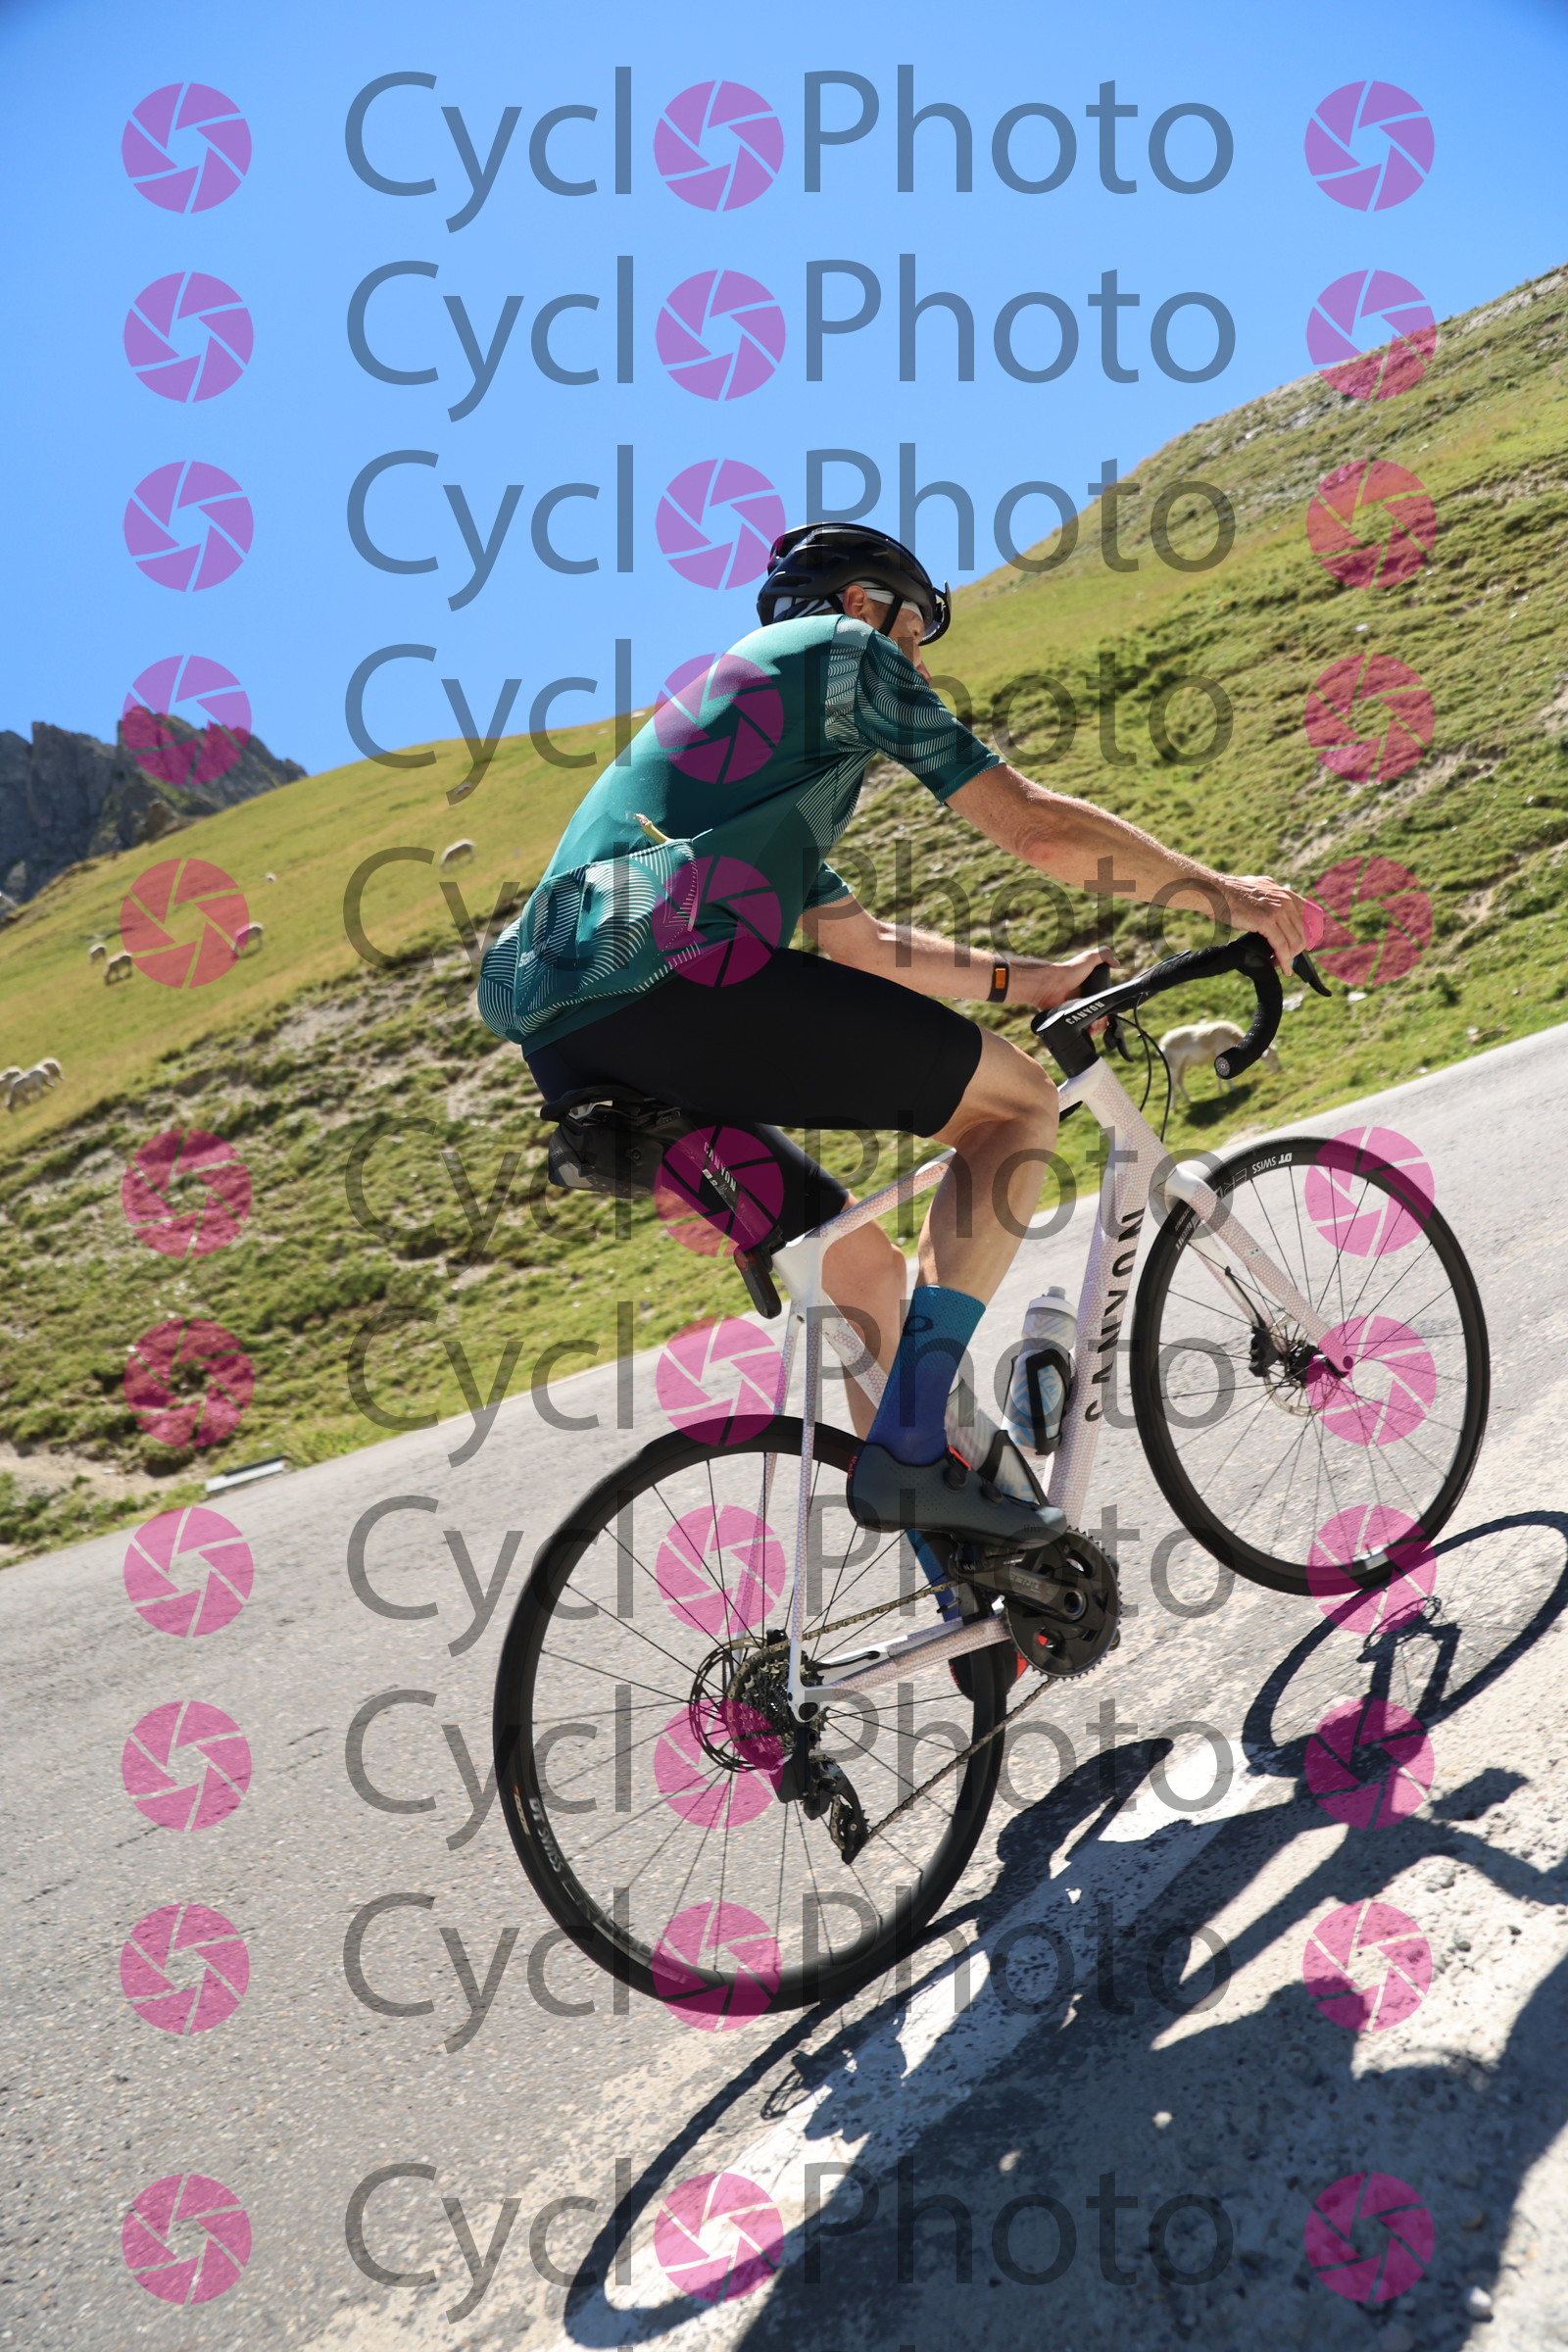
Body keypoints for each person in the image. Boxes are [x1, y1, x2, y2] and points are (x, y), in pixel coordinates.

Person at [478, 522, 1309, 1550]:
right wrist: (1228, 897)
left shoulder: (754, 770)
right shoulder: (842, 651)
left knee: (862, 1279)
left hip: (573, 1048)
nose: (915, 659)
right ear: (860, 604)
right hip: (670, 982)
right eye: (912, 629)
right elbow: (1034, 827)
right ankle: (912, 1447)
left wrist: (1035, 981)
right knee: (1015, 1109)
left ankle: (973, 1596)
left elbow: (862, 945)